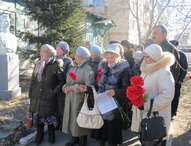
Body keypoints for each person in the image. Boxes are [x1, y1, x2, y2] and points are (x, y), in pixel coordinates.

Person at [131, 44, 175, 146]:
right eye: (144, 56)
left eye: (147, 57)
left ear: (154, 57)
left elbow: (167, 95)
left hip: (157, 116)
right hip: (146, 115)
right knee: (147, 140)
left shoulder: (163, 73)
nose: (144, 59)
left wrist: (146, 105)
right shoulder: (146, 70)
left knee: (156, 140)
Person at [91, 44, 131, 146]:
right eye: (108, 57)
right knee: (102, 131)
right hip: (102, 103)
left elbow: (127, 88)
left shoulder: (124, 68)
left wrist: (115, 92)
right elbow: (98, 83)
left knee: (112, 133)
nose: (109, 60)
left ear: (117, 57)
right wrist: (89, 89)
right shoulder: (102, 65)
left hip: (114, 105)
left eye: (112, 57)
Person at [29, 44, 65, 145]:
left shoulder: (55, 66)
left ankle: (51, 137)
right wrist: (30, 94)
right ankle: (39, 136)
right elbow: (33, 81)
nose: (41, 54)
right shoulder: (38, 64)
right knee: (39, 119)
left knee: (50, 120)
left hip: (49, 98)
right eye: (41, 52)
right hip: (37, 97)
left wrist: (54, 91)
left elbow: (62, 81)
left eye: (43, 52)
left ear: (49, 54)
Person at [62, 46, 95, 146]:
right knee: (71, 118)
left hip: (80, 99)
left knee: (80, 119)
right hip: (69, 98)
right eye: (75, 55)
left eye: (78, 56)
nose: (75, 57)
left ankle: (83, 140)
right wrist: (65, 88)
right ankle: (74, 138)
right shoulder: (72, 67)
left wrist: (74, 88)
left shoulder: (88, 70)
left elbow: (89, 87)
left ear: (83, 58)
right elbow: (67, 82)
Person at [55, 41, 73, 130]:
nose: (57, 51)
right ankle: (56, 122)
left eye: (59, 49)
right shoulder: (53, 59)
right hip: (53, 86)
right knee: (54, 106)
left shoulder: (68, 61)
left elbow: (69, 74)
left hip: (62, 86)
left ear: (64, 51)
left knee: (61, 105)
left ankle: (63, 123)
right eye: (56, 49)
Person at [170, 40, 188, 120]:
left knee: (175, 96)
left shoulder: (182, 55)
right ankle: (168, 112)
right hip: (168, 80)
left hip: (177, 81)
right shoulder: (169, 54)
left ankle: (173, 112)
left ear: (176, 46)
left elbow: (184, 68)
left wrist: (180, 79)